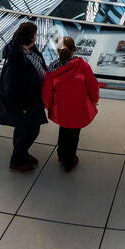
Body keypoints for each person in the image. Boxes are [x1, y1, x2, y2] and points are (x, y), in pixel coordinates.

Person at [42, 35, 100, 172]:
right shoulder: (83, 66)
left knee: (63, 130)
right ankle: (69, 161)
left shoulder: (52, 68)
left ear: (58, 51)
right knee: (74, 135)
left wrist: (48, 105)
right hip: (79, 108)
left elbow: (47, 91)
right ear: (75, 50)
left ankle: (61, 155)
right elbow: (92, 86)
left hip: (61, 108)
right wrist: (94, 100)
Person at [0, 20, 48, 171]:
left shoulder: (28, 49)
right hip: (24, 103)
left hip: (31, 98)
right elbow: (12, 86)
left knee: (22, 128)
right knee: (31, 130)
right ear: (30, 37)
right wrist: (21, 107)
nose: (37, 37)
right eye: (35, 34)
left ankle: (22, 153)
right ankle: (16, 161)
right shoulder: (16, 60)